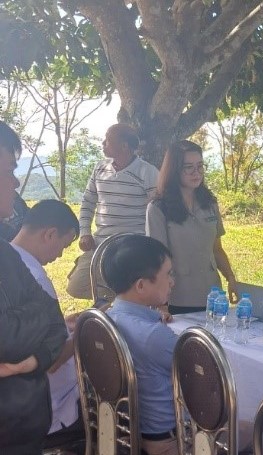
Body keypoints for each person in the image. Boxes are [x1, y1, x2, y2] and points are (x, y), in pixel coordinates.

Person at [0, 121, 67, 454]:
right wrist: (38, 314)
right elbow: (6, 339)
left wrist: (26, 362)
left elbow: (56, 329)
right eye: (9, 170)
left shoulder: (8, 254)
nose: (15, 183)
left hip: (20, 429)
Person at [10, 200, 83, 442]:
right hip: (49, 405)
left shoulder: (9, 264)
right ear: (50, 234)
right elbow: (51, 359)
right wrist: (83, 332)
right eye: (64, 245)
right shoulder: (34, 278)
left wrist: (62, 324)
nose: (61, 254)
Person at [104, 234, 178, 455]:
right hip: (170, 439)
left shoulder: (108, 318)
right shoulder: (154, 335)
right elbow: (205, 380)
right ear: (141, 285)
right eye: (168, 274)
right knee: (251, 429)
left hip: (127, 430)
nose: (172, 282)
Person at [67, 124, 159, 302]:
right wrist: (85, 233)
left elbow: (156, 210)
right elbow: (88, 202)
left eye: (108, 140)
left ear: (124, 146)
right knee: (76, 286)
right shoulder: (99, 168)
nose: (103, 143)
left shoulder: (147, 172)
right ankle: (119, 301)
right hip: (100, 244)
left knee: (125, 286)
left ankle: (120, 304)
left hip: (132, 246)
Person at [146, 140, 237, 313]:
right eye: (189, 167)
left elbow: (216, 249)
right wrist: (161, 304)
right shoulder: (158, 208)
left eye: (200, 166)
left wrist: (231, 278)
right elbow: (157, 260)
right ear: (174, 170)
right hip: (176, 298)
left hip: (212, 296)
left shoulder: (209, 203)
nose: (196, 173)